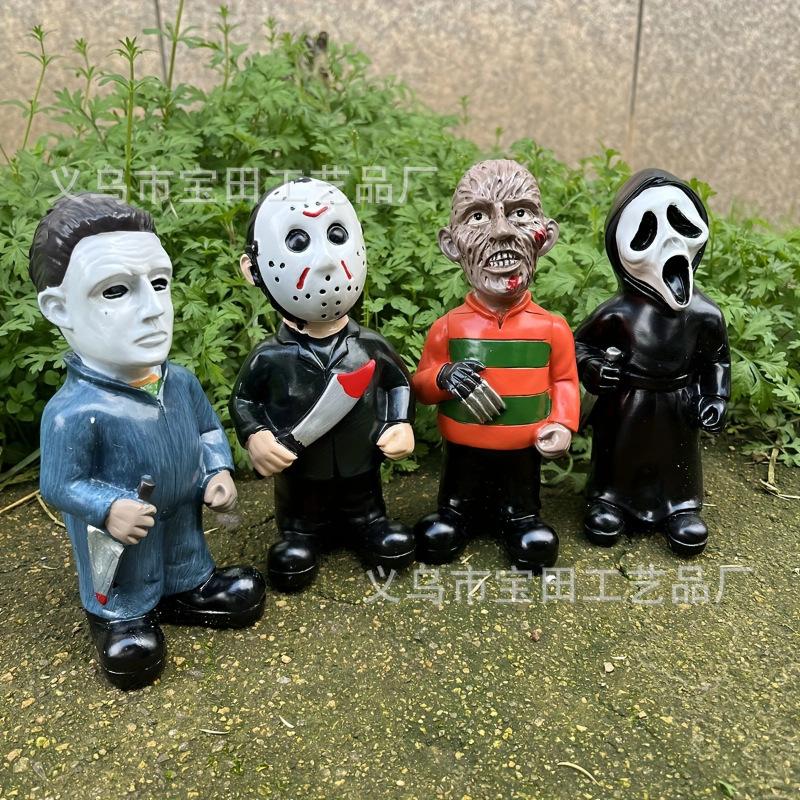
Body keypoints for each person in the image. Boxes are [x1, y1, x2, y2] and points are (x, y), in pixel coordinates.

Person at [30, 193, 266, 690]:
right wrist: (108, 507)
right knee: (125, 576)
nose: (154, 309)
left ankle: (188, 586)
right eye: (116, 291)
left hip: (182, 518)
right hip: (123, 532)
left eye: (160, 283)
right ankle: (120, 616)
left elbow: (207, 430)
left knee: (186, 554)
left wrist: (216, 470)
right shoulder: (73, 412)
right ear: (59, 308)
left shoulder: (180, 382)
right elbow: (60, 483)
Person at [230, 178, 416, 591]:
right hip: (301, 476)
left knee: (368, 510)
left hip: (360, 468)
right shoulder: (269, 357)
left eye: (336, 236)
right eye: (298, 242)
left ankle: (370, 525)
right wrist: (255, 435)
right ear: (253, 270)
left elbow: (398, 383)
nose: (326, 261)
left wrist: (400, 422)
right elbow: (244, 400)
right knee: (299, 527)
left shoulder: (370, 347)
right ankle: (299, 535)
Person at [412, 159, 580, 570]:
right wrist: (444, 376)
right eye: (478, 217)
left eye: (520, 213)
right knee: (458, 493)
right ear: (451, 245)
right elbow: (421, 385)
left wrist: (562, 424)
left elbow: (565, 381)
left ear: (546, 236)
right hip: (464, 449)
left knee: (521, 498)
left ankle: (521, 518)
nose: (502, 231)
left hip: (523, 450)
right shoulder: (448, 327)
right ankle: (455, 513)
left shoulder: (552, 328)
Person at [574, 169, 730, 555]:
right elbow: (578, 346)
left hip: (679, 404)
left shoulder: (706, 314)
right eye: (645, 233)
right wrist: (593, 367)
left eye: (682, 223)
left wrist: (715, 396)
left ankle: (680, 506)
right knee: (619, 453)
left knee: (675, 457)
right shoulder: (618, 313)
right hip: (627, 402)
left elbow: (716, 360)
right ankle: (610, 499)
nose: (669, 241)